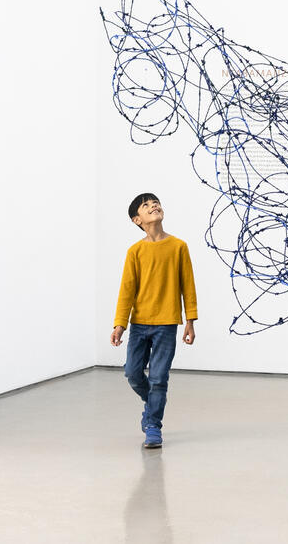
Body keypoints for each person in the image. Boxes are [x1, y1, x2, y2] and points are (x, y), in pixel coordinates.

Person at [110, 192, 198, 449]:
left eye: (155, 202)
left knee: (159, 378)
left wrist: (190, 320)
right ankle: (152, 404)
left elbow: (188, 286)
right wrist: (119, 324)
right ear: (137, 219)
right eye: (146, 205)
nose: (154, 206)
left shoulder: (179, 246)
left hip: (167, 324)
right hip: (139, 324)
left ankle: (153, 426)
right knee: (132, 372)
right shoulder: (135, 251)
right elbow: (126, 290)